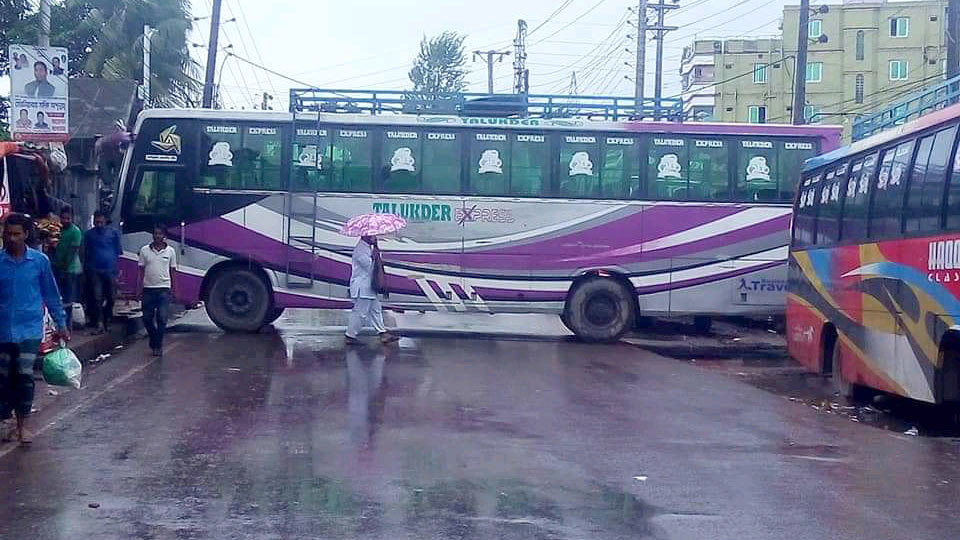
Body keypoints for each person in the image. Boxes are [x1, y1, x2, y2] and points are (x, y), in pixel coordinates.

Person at [0, 213, 69, 445]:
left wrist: (61, 323)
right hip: (2, 330)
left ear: (26, 235)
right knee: (3, 378)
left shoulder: (39, 262)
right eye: (8, 234)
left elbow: (51, 294)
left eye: (17, 234)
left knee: (25, 376)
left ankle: (22, 426)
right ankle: (6, 418)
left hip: (29, 330)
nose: (12, 239)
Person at [345, 235, 397, 345]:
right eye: (373, 236)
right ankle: (350, 335)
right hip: (362, 287)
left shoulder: (368, 248)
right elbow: (369, 266)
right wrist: (375, 255)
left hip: (368, 288)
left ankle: (382, 333)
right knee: (360, 313)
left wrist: (376, 251)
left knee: (376, 310)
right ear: (367, 237)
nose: (375, 237)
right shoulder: (360, 249)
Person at [138, 224, 177, 357]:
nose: (157, 236)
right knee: (147, 319)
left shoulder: (170, 251)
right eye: (155, 233)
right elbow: (140, 270)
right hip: (148, 289)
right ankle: (153, 338)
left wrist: (175, 289)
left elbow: (173, 270)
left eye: (160, 234)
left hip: (164, 289)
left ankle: (158, 346)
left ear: (164, 236)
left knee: (162, 318)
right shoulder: (144, 250)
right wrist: (138, 288)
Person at [84, 210, 122, 334]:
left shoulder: (113, 233)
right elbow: (85, 252)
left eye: (101, 222)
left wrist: (118, 270)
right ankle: (100, 323)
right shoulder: (89, 235)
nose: (99, 224)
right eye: (97, 222)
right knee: (97, 297)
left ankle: (107, 319)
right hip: (94, 270)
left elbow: (118, 252)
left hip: (110, 270)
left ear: (105, 221)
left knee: (111, 297)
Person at [53, 207, 83, 329]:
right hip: (56, 266)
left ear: (72, 218)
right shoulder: (56, 230)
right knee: (57, 296)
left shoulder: (76, 232)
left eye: (68, 218)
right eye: (63, 218)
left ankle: (67, 325)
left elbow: (72, 252)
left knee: (68, 298)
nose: (65, 220)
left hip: (69, 269)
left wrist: (63, 268)